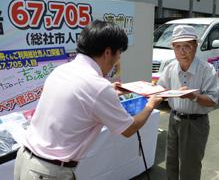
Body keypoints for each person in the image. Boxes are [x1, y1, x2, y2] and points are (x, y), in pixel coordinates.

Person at [14, 20, 162, 180]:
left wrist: (110, 92)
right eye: (119, 53)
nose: (118, 59)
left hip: (25, 160)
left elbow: (79, 97)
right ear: (107, 52)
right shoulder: (98, 86)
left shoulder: (62, 70)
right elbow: (129, 129)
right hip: (48, 172)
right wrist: (150, 105)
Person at [157, 25, 219, 180]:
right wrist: (151, 91)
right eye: (177, 46)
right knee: (171, 163)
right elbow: (161, 88)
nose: (182, 51)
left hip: (196, 123)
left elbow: (212, 101)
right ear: (173, 48)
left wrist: (194, 96)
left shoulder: (207, 70)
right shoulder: (170, 67)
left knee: (190, 167)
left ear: (196, 46)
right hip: (174, 119)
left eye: (187, 46)